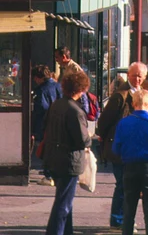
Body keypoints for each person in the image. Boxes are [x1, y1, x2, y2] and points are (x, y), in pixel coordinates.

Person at [97, 61, 148, 230]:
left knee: (129, 185)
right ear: (128, 75)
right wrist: (103, 137)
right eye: (134, 75)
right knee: (123, 185)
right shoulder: (120, 95)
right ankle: (118, 220)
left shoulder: (144, 94)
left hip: (136, 150)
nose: (137, 79)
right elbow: (104, 121)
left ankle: (121, 219)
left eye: (140, 76)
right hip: (120, 148)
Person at [114, 89, 148, 235]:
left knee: (129, 207)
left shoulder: (124, 123)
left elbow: (116, 148)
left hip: (129, 165)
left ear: (133, 103)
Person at [42, 68, 90, 235]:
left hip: (54, 157)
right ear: (81, 89)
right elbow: (82, 140)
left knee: (64, 200)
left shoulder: (57, 105)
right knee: (63, 204)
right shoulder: (75, 111)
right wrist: (91, 138)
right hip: (69, 160)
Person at [31, 65, 62, 183]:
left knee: (45, 149)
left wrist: (34, 128)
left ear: (39, 78)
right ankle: (55, 173)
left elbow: (41, 109)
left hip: (44, 124)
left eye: (35, 78)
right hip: (59, 122)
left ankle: (48, 175)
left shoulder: (41, 90)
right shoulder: (58, 86)